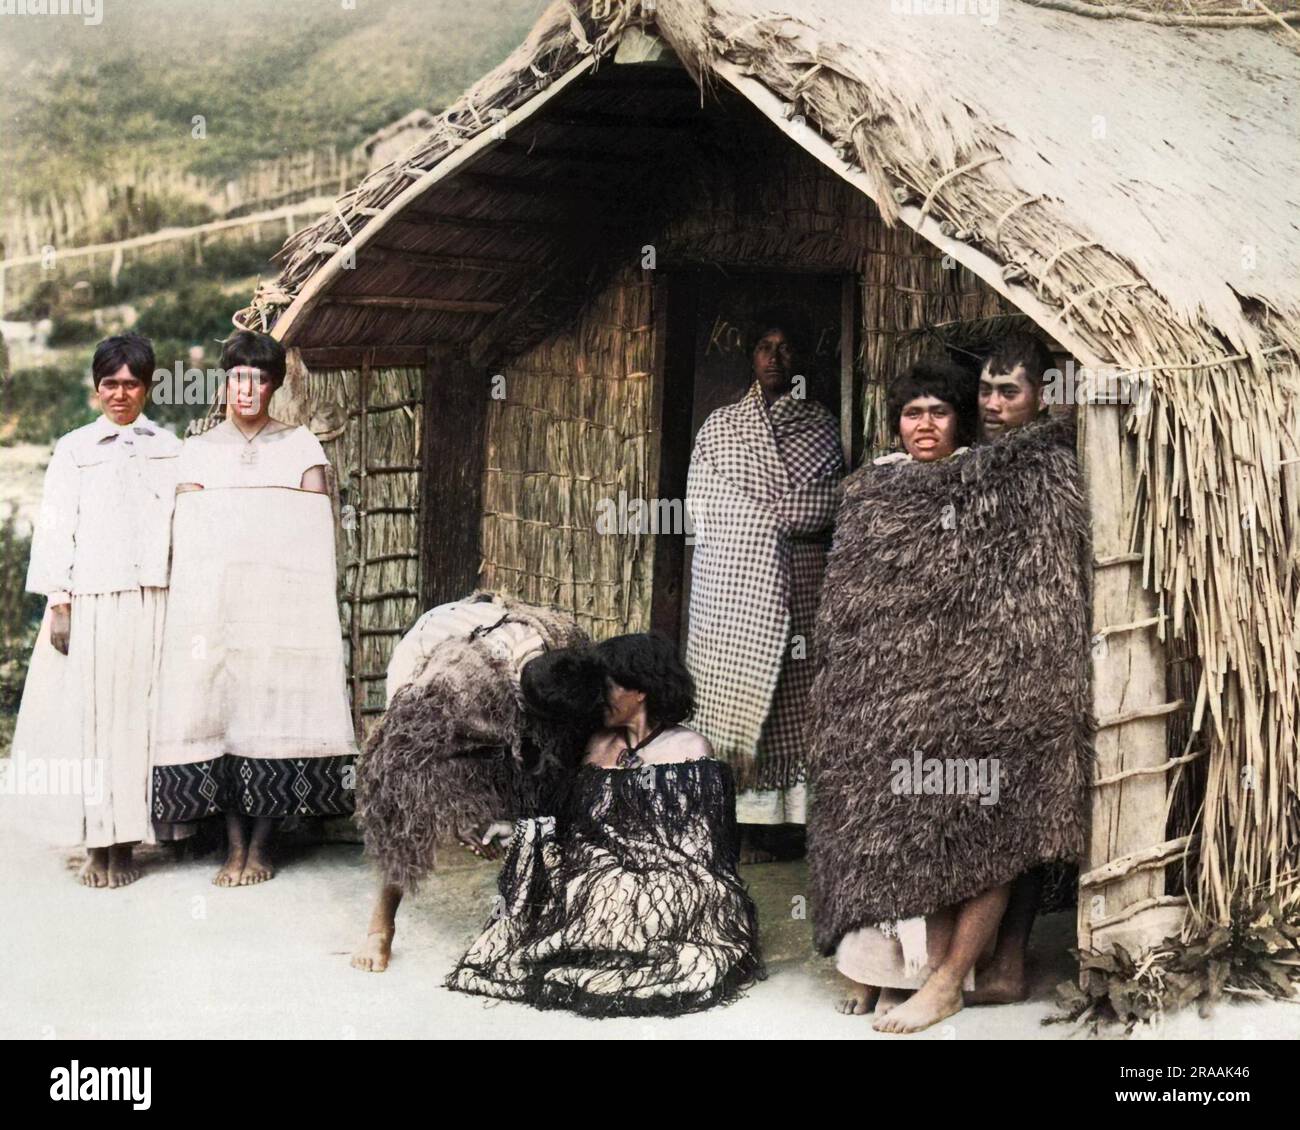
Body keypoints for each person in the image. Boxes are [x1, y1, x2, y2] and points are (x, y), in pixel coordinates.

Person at [806, 355, 1093, 1034]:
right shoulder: (874, 490)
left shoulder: (1008, 479)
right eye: (913, 412)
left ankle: (949, 979)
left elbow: (1042, 590)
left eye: (939, 410)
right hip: (899, 699)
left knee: (992, 822)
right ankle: (926, 973)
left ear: (958, 419)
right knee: (920, 826)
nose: (925, 424)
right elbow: (852, 604)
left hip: (998, 691)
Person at [447, 633, 762, 1017]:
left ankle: (616, 938)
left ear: (641, 689)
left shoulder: (690, 749)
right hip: (596, 863)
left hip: (670, 871)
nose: (601, 698)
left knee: (628, 894)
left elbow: (700, 844)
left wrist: (639, 864)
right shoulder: (593, 742)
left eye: (609, 687)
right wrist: (516, 830)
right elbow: (565, 818)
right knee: (587, 884)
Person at [150, 330, 356, 885]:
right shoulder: (197, 451)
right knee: (222, 713)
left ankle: (263, 847)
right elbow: (192, 543)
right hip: (216, 613)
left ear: (273, 385)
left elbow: (313, 535)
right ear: (225, 381)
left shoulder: (300, 446)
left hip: (278, 611)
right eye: (238, 376)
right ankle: (233, 845)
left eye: (259, 378)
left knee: (271, 716)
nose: (247, 388)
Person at [12, 333, 181, 886]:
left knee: (136, 722)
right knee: (90, 721)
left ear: (149, 387)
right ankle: (94, 844)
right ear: (96, 388)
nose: (121, 394)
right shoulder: (74, 449)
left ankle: (126, 843)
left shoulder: (168, 447)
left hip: (149, 599)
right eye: (110, 383)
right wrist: (59, 603)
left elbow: (183, 528)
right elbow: (57, 527)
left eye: (132, 383)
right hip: (89, 601)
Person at [350, 593, 593, 973]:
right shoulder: (447, 686)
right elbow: (398, 767)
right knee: (405, 806)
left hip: (504, 655)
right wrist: (464, 817)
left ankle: (539, 901)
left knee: (548, 781)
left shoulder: (572, 658)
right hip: (435, 650)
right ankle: (381, 925)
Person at [685, 308, 844, 860]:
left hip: (801, 587)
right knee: (732, 694)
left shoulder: (821, 424)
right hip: (734, 591)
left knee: (795, 707)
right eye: (764, 347)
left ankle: (791, 827)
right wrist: (772, 517)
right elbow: (706, 509)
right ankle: (740, 825)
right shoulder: (721, 426)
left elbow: (826, 502)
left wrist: (762, 512)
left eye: (785, 347)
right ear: (750, 358)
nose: (776, 357)